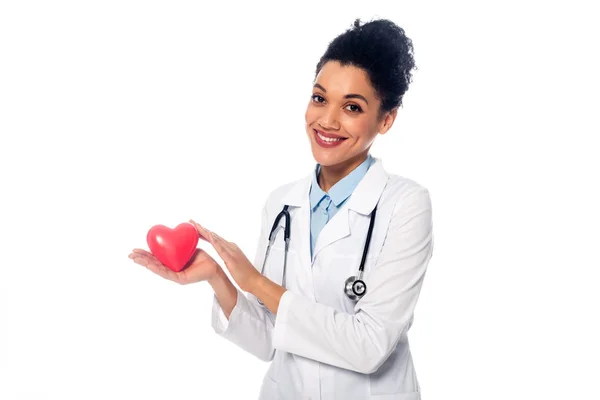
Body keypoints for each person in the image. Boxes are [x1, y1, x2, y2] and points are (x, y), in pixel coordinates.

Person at [129, 18, 434, 400]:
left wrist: (255, 281)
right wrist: (217, 276)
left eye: (352, 107)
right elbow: (268, 339)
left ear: (386, 119)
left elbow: (369, 346)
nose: (327, 120)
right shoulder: (282, 204)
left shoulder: (406, 205)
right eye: (319, 98)